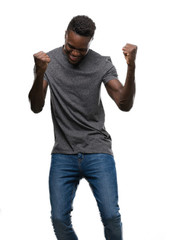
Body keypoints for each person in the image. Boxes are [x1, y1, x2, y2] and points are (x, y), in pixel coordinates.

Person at [28, 15, 137, 240]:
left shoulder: (101, 63)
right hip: (63, 153)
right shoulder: (48, 61)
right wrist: (39, 72)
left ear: (90, 43)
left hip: (97, 150)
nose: (75, 53)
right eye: (70, 47)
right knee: (58, 218)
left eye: (82, 49)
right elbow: (36, 106)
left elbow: (124, 104)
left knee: (110, 216)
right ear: (65, 37)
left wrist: (131, 67)